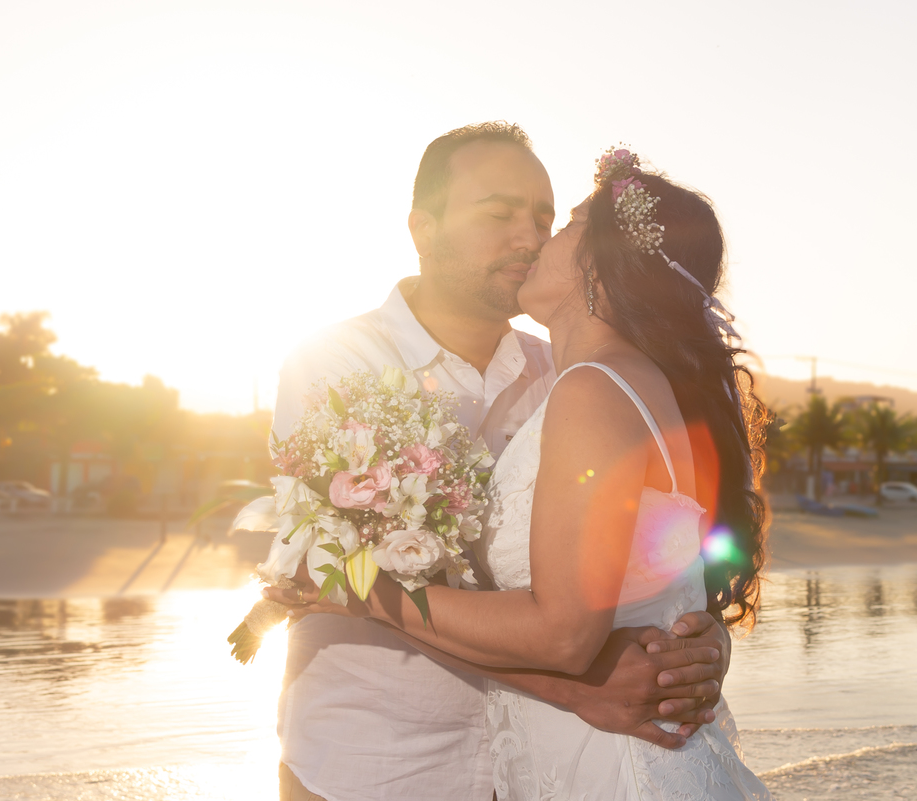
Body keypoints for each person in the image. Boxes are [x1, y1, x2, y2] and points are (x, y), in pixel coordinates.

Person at [261, 126, 731, 801]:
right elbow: (334, 571)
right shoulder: (334, 366)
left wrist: (699, 643)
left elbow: (651, 553)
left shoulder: (566, 375)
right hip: (376, 762)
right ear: (423, 228)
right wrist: (569, 685)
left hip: (534, 770)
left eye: (545, 217)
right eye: (499, 213)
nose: (531, 236)